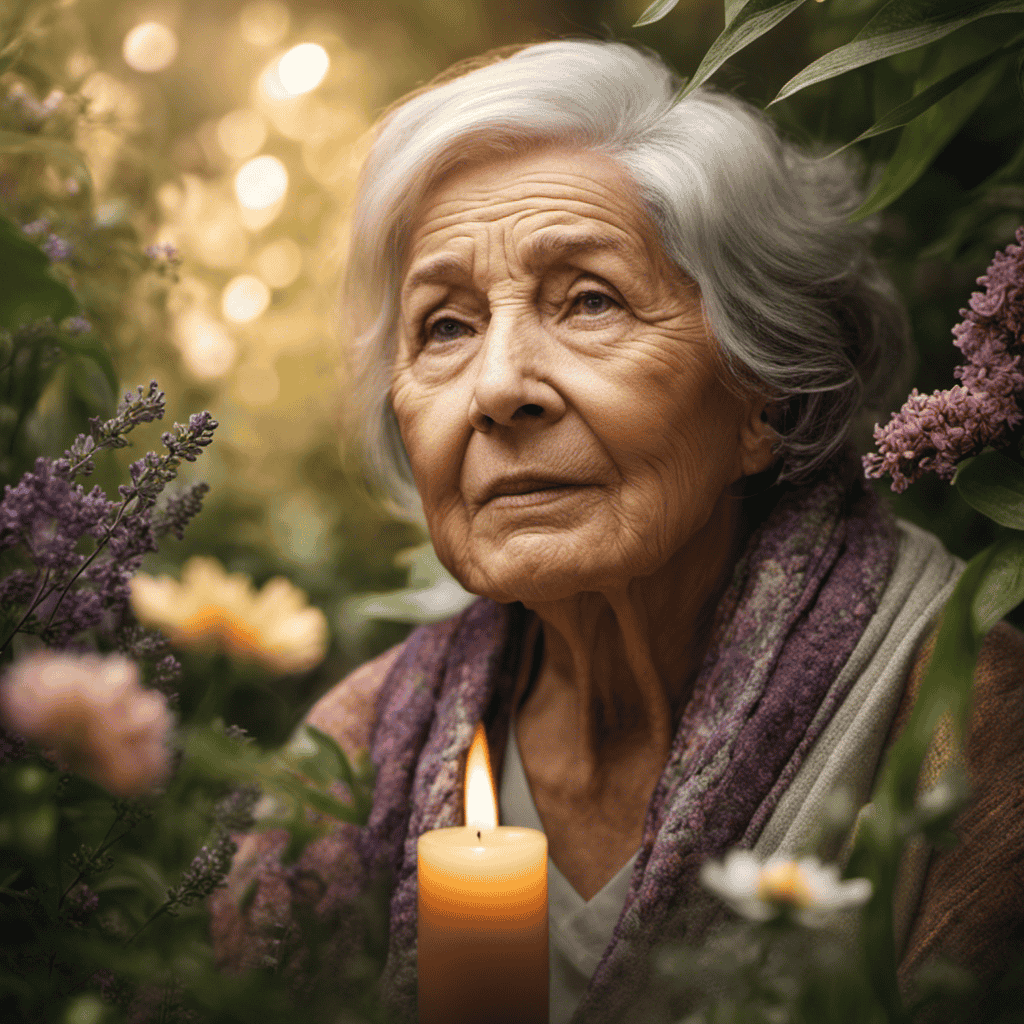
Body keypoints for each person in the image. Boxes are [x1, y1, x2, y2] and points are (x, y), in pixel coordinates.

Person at [210, 39, 1024, 1023]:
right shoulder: (352, 756)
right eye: (446, 326)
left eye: (588, 300)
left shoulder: (970, 724)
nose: (499, 386)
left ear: (763, 391)